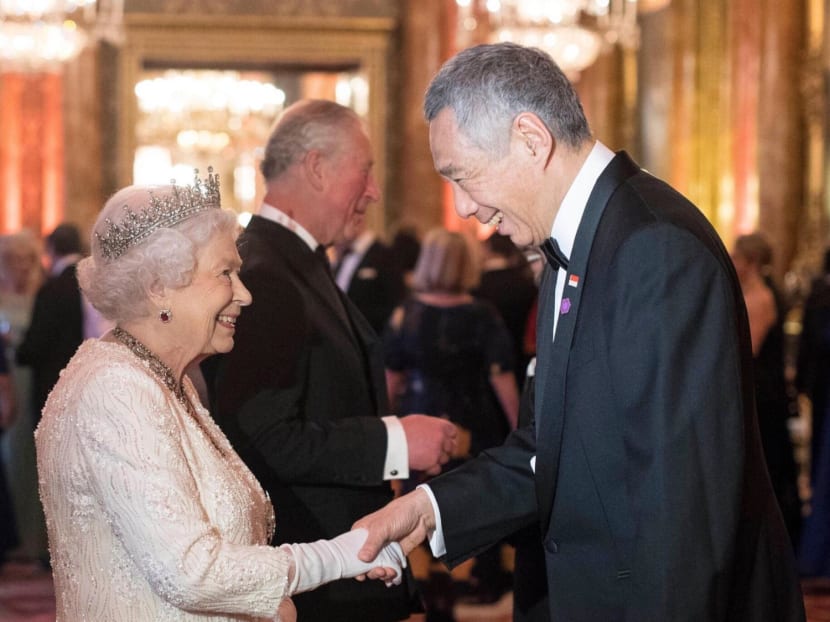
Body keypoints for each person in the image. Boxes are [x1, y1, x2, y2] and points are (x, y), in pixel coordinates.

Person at [355, 42, 806, 621]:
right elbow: (552, 448)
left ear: (531, 139)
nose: (463, 207)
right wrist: (429, 507)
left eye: (462, 176)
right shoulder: (577, 242)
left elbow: (682, 513)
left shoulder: (652, 250)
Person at [34, 173, 406, 621]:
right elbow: (190, 572)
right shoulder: (114, 389)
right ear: (158, 287)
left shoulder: (166, 379)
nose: (245, 295)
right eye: (225, 273)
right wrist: (339, 556)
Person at [208, 99, 458, 621]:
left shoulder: (294, 263)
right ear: (318, 168)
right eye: (364, 171)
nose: (374, 191)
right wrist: (396, 442)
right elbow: (263, 438)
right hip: (315, 578)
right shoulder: (267, 277)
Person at [383, 227, 519, 616]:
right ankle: (473, 590)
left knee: (416, 511)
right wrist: (521, 430)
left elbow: (392, 378)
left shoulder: (406, 313)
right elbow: (502, 380)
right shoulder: (481, 314)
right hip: (471, 427)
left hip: (417, 423)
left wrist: (385, 431)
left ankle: (427, 592)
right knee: (473, 505)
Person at [732, 232, 801, 547]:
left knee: (769, 462)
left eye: (738, 258)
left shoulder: (760, 298)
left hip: (763, 396)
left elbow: (746, 349)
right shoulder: (750, 294)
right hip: (759, 390)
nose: (733, 262)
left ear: (752, 262)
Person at [0, 231, 46, 564]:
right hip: (6, 381)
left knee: (33, 455)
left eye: (26, 259)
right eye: (14, 259)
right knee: (9, 456)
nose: (21, 266)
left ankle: (34, 538)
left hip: (33, 379)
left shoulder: (41, 295)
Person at [473, 232, 538, 388]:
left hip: (481, 368)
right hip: (520, 361)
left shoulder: (475, 285)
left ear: (488, 248)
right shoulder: (527, 285)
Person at [333, 214, 405, 336]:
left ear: (358, 220)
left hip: (372, 338)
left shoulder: (385, 255)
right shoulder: (344, 256)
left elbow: (396, 302)